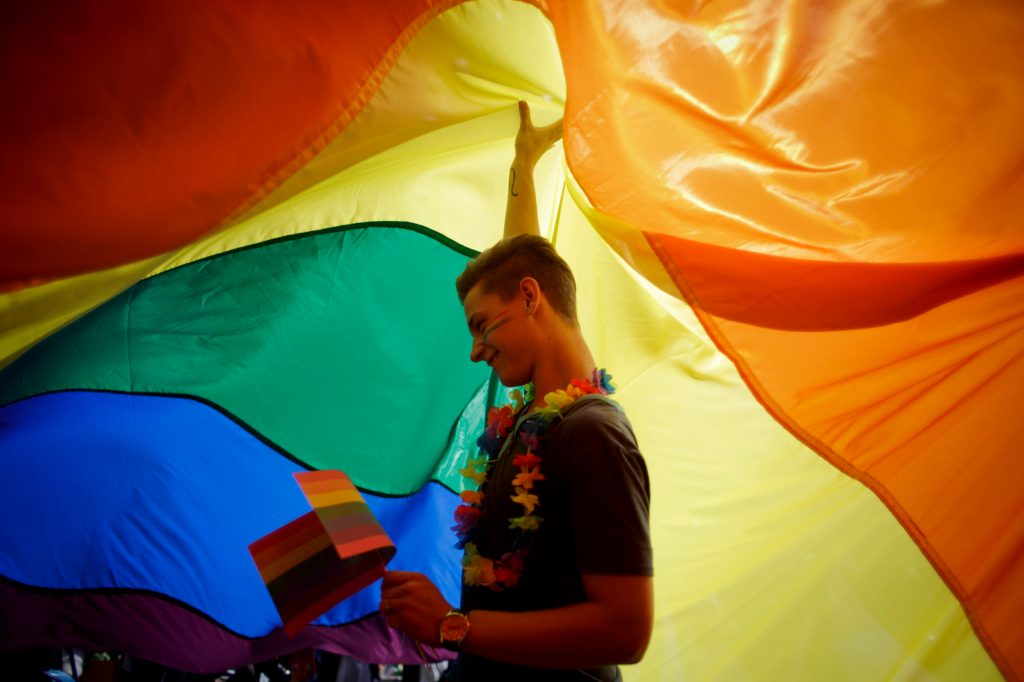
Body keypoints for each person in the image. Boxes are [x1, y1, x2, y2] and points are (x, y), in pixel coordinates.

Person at [380, 101, 653, 681]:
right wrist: (523, 166)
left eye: (481, 326)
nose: (475, 351)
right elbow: (522, 255)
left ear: (530, 298)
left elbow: (626, 631)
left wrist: (452, 626)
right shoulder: (530, 421)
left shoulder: (592, 432)